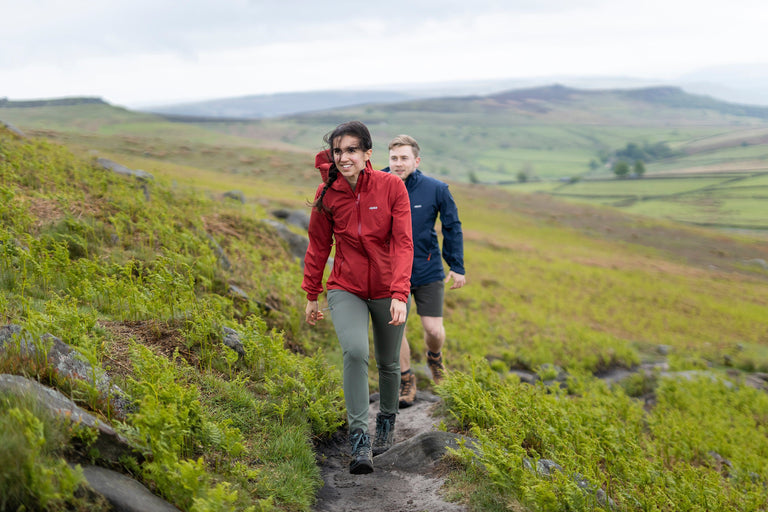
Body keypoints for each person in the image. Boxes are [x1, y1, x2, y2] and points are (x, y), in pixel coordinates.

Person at [302, 121, 413, 474]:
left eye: (351, 150)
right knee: (355, 351)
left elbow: (403, 243)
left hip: (386, 288)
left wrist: (398, 293)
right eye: (338, 151)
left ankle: (386, 422)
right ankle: (359, 438)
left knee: (389, 361)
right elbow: (319, 246)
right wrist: (312, 294)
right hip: (345, 287)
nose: (343, 157)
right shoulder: (327, 195)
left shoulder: (391, 186)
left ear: (368, 154)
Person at [383, 134, 466, 408]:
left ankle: (435, 358)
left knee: (433, 330)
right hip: (392, 271)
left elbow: (452, 225)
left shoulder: (436, 189)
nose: (398, 163)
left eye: (404, 158)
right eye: (394, 158)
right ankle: (406, 379)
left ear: (416, 161)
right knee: (397, 328)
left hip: (427, 267)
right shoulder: (376, 183)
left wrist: (456, 265)